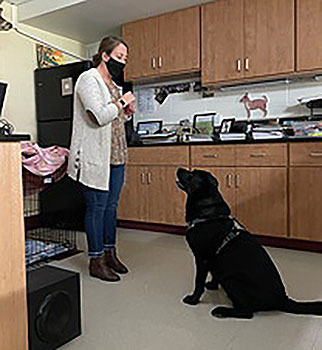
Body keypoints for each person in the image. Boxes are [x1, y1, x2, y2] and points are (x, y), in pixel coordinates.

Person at [67, 36, 136, 282]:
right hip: (95, 155)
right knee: (96, 208)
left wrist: (127, 112)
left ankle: (110, 253)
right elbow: (97, 115)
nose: (122, 62)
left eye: (125, 58)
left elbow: (116, 118)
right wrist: (121, 103)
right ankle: (96, 260)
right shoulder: (89, 79)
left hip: (116, 154)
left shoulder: (114, 84)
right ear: (104, 56)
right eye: (119, 57)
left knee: (111, 207)